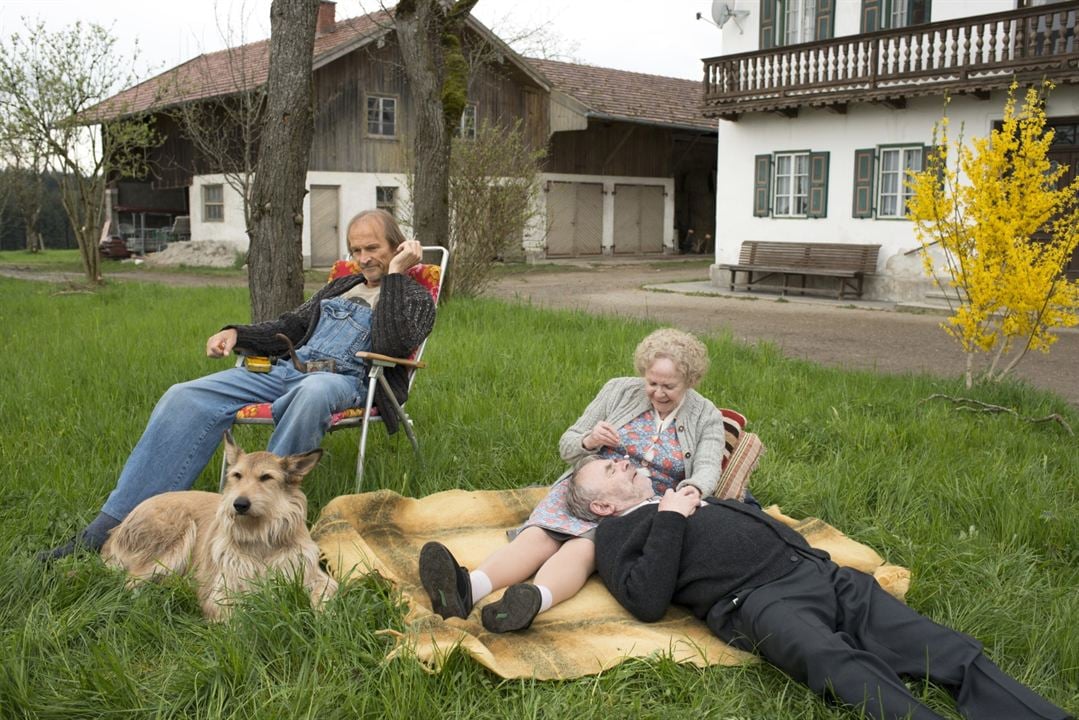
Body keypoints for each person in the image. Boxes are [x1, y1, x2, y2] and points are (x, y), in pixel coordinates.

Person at [40, 209, 437, 561]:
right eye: (356, 250)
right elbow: (290, 326)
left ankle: (258, 526)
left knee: (311, 392)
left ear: (397, 246)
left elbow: (392, 343)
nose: (364, 259)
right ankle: (111, 526)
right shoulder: (338, 287)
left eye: (373, 248)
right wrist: (236, 333)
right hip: (286, 370)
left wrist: (398, 275)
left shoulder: (415, 296)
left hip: (346, 380)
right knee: (185, 396)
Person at [567, 457, 1072, 720]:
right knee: (837, 665)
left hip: (818, 570)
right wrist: (672, 520)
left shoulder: (678, 493)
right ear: (603, 507)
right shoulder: (614, 535)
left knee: (944, 648)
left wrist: (722, 501)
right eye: (610, 470)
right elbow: (646, 600)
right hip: (758, 600)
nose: (625, 463)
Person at [420, 328, 744, 634]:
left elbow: (706, 468)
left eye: (668, 387)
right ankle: (467, 588)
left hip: (638, 502)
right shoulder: (618, 389)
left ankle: (532, 601)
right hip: (592, 480)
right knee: (542, 533)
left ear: (689, 380)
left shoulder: (706, 415)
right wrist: (589, 440)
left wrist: (692, 490)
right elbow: (568, 444)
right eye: (652, 383)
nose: (657, 393)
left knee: (586, 546)